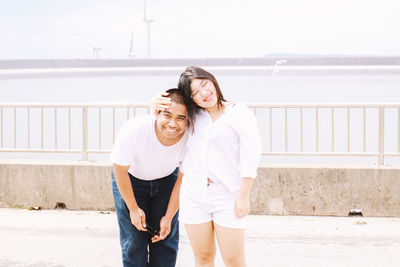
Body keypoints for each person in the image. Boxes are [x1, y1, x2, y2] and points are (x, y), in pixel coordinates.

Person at [154, 66, 262, 267]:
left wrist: (243, 196)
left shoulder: (240, 113)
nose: (203, 93)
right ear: (191, 99)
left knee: (234, 260)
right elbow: (165, 119)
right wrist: (154, 103)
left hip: (227, 196)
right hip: (194, 195)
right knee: (203, 257)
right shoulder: (193, 117)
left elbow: (250, 159)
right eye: (194, 93)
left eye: (204, 84)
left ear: (212, 80)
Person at [111, 88, 191, 267]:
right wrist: (133, 209)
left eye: (181, 118)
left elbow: (182, 180)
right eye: (168, 115)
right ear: (157, 112)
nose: (172, 124)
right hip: (130, 179)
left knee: (165, 238)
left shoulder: (191, 139)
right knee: (134, 241)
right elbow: (120, 171)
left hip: (167, 181)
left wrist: (169, 217)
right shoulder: (135, 130)